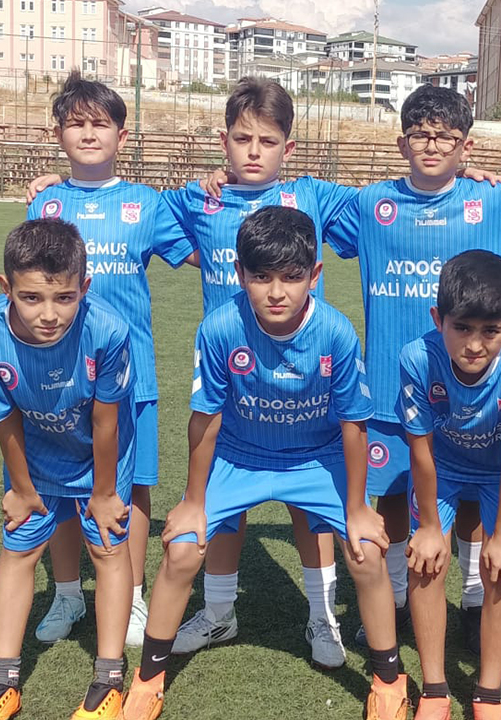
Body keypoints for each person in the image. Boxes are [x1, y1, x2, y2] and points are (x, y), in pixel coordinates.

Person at [31, 76, 352, 666]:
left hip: (307, 380)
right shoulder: (194, 200)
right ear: (223, 143)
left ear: (289, 147)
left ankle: (322, 617)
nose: (253, 151)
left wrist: (467, 176)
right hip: (230, 382)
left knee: (310, 507)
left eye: (267, 141)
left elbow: (396, 201)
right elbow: (121, 202)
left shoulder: (314, 196)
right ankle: (219, 613)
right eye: (242, 139)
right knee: (221, 505)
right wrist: (58, 186)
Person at [121, 206, 406, 720]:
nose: (277, 292)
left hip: (315, 457)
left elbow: (353, 424)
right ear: (240, 274)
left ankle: (389, 679)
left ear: (314, 275)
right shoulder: (220, 328)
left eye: (292, 277)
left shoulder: (336, 333)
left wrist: (359, 507)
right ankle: (148, 677)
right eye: (261, 277)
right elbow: (205, 419)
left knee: (365, 550)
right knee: (183, 549)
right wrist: (192, 501)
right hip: (240, 454)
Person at [324, 84, 501, 656]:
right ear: (402, 143)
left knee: (472, 496)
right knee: (392, 496)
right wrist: (220, 180)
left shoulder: (491, 201)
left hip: (471, 392)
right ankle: (395, 597)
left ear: (466, 146)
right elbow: (297, 202)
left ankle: (475, 597)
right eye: (421, 135)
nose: (432, 146)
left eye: (446, 137)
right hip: (389, 382)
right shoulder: (370, 203)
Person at [26, 71, 194, 649]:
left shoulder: (146, 203)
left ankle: (133, 593)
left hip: (131, 374)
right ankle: (68, 593)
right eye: (76, 123)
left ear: (122, 136)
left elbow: (201, 253)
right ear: (58, 134)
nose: (88, 133)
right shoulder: (47, 203)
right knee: (62, 490)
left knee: (135, 486)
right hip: (58, 378)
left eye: (100, 124)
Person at [0, 218, 137, 720]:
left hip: (99, 455)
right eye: (31, 298)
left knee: (107, 548)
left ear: (85, 286)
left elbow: (106, 421)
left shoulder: (108, 330)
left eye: (64, 298)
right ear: (6, 288)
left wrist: (104, 492)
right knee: (18, 548)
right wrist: (21, 488)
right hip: (33, 454)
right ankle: (3, 681)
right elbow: (4, 417)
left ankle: (109, 677)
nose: (48, 314)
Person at [398, 250, 501, 720]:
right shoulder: (417, 358)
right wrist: (428, 527)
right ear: (437, 319)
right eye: (461, 328)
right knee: (426, 559)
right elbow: (420, 448)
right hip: (440, 468)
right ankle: (435, 689)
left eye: (490, 331)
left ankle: (488, 693)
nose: (475, 345)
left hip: (497, 473)